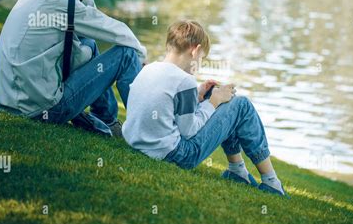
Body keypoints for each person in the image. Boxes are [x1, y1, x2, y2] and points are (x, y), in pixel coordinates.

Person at [0, 0, 146, 137]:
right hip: (44, 111)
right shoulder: (62, 5)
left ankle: (106, 119)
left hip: (9, 102)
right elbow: (112, 29)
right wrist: (141, 54)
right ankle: (143, 134)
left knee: (88, 42)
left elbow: (90, 29)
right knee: (126, 53)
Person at [122, 20, 288, 196]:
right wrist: (213, 102)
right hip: (177, 155)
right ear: (195, 50)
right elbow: (189, 131)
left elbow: (168, 110)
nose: (200, 63)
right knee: (241, 105)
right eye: (202, 58)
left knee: (228, 106)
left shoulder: (149, 69)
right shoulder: (184, 80)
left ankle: (237, 171)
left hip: (139, 144)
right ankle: (271, 182)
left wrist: (199, 96)